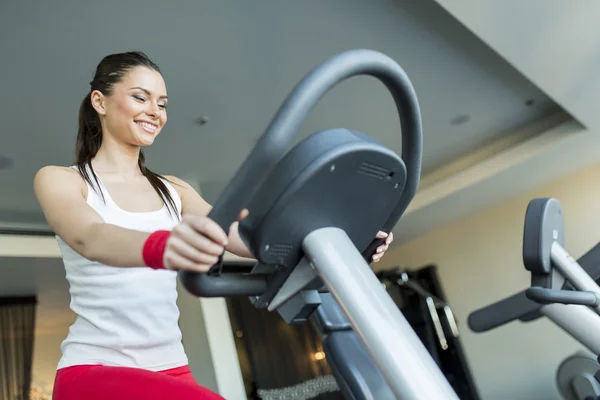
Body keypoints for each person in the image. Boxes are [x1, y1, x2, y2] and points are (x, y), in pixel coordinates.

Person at [33, 51, 394, 400]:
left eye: (162, 104)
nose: (154, 112)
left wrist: (344, 243)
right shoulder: (62, 180)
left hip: (172, 366)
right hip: (96, 370)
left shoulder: (174, 190)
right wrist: (165, 246)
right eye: (140, 97)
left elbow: (247, 238)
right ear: (100, 101)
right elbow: (89, 235)